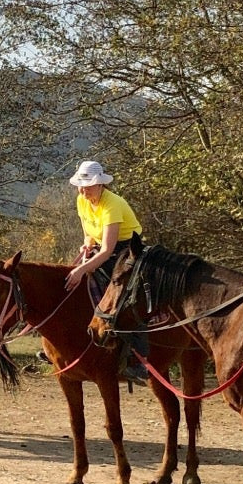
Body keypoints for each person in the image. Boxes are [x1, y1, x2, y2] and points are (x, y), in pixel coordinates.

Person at [62, 160, 148, 378]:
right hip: (102, 249)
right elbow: (89, 232)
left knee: (122, 292)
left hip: (128, 250)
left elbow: (109, 250)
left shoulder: (113, 204)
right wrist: (86, 245)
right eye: (81, 185)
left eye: (88, 185)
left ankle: (137, 357)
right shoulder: (82, 200)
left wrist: (82, 269)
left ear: (101, 184)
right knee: (71, 283)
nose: (83, 189)